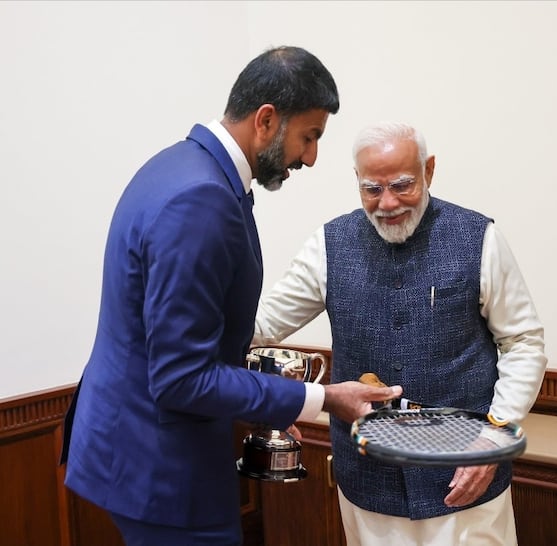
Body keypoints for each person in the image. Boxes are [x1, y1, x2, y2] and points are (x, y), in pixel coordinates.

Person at [59, 47, 401, 546]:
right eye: (310, 136)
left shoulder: (179, 165)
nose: (310, 157)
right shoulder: (201, 199)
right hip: (160, 468)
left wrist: (272, 404)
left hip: (128, 443)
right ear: (266, 120)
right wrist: (322, 398)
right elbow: (182, 377)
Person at [253, 121, 548, 545]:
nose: (387, 203)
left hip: (466, 476)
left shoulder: (479, 238)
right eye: (372, 189)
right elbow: (263, 326)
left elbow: (523, 343)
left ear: (429, 170)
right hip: (368, 483)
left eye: (403, 185)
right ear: (357, 181)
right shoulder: (328, 244)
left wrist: (494, 438)